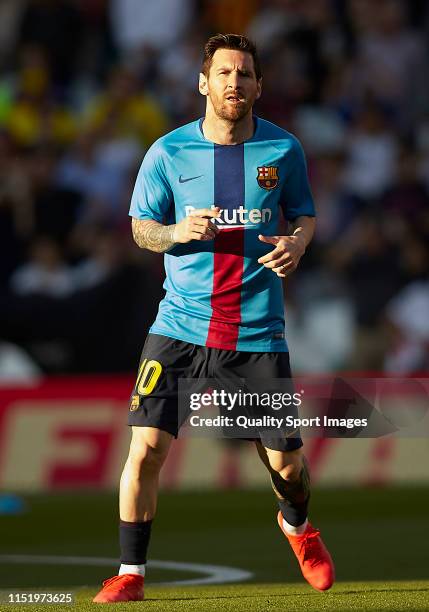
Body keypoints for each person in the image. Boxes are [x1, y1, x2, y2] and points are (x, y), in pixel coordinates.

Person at [93, 33, 335, 604]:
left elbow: (303, 215)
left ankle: (298, 527)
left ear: (258, 86)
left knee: (288, 466)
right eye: (224, 73)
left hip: (256, 331)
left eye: (245, 74)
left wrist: (298, 246)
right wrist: (177, 232)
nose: (234, 82)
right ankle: (131, 575)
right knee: (146, 450)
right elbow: (140, 228)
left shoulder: (284, 151)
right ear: (204, 82)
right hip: (178, 326)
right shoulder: (167, 152)